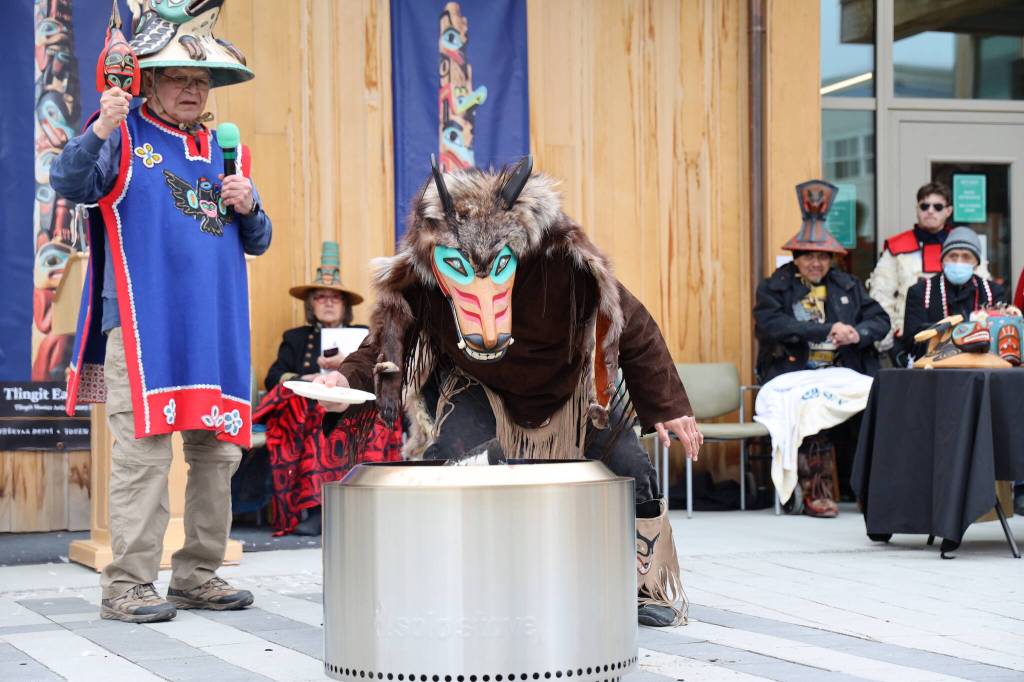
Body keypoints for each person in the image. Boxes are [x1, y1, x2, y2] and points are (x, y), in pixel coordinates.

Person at [316, 157, 701, 627]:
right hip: (484, 388)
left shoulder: (563, 261)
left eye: (496, 264)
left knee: (630, 469)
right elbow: (384, 339)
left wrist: (670, 407)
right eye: (460, 266)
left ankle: (647, 586)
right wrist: (344, 381)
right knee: (449, 458)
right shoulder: (424, 275)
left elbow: (631, 323)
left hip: (572, 389)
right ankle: (447, 574)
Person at [51, 2, 267, 623]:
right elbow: (70, 183)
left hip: (216, 333)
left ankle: (197, 575)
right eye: (179, 78)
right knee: (143, 458)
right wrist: (98, 129)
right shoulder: (123, 133)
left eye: (201, 81)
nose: (193, 90)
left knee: (218, 455)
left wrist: (250, 206)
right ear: (148, 80)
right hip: (145, 328)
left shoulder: (231, 154)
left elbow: (258, 240)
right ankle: (127, 585)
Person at [754, 180, 890, 517]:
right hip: (795, 372)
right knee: (810, 410)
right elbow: (772, 325)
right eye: (810, 256)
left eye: (823, 257)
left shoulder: (847, 285)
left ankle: (871, 491)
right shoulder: (776, 287)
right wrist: (826, 329)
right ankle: (817, 489)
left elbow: (880, 319)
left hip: (844, 371)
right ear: (796, 258)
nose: (816, 263)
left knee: (878, 404)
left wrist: (857, 334)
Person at [253, 242, 402, 536]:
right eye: (321, 297)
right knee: (318, 425)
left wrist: (347, 365)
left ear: (345, 306)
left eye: (335, 298)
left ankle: (366, 507)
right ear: (311, 305)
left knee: (374, 423)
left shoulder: (365, 335)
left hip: (358, 404)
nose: (329, 303)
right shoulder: (295, 338)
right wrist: (306, 378)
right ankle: (316, 508)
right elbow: (274, 377)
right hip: (309, 408)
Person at [867, 182, 989, 356]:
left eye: (937, 206)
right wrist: (889, 341)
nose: (930, 211)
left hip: (964, 339)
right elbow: (881, 297)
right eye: (925, 206)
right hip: (907, 340)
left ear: (948, 211)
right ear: (917, 209)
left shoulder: (964, 247)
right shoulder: (897, 248)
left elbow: (983, 289)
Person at [903, 227, 1005, 360]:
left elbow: (1000, 338)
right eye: (953, 256)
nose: (958, 262)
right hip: (934, 370)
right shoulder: (920, 291)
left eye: (966, 257)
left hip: (981, 367)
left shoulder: (993, 292)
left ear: (976, 263)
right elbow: (912, 341)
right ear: (943, 260)